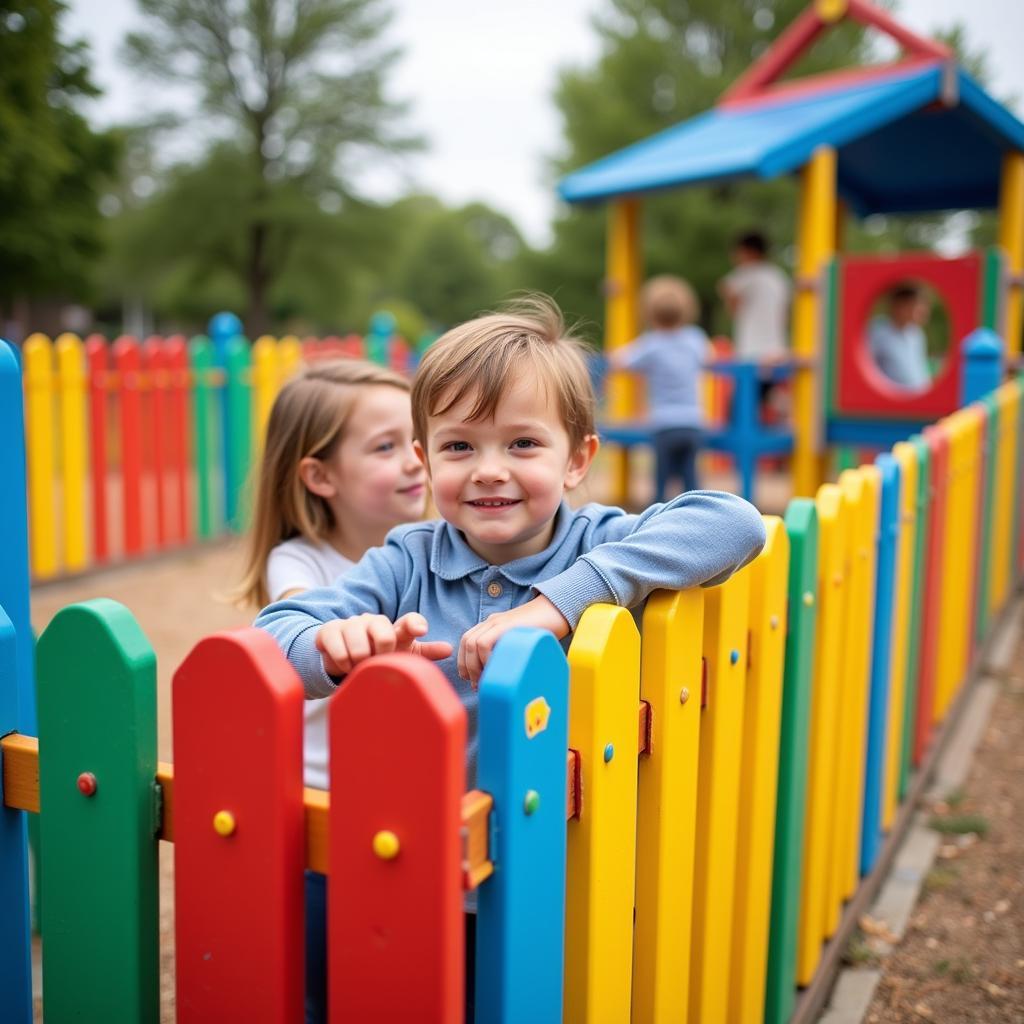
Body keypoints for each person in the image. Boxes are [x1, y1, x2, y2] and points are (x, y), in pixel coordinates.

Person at [254, 295, 766, 1016]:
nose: (489, 470)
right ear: (427, 462)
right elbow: (274, 633)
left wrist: (558, 602)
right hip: (425, 860)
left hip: (568, 859)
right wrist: (327, 645)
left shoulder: (595, 539)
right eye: (461, 447)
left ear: (577, 459)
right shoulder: (408, 559)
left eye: (523, 444)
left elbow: (735, 522)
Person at [233, 358, 427, 1024]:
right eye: (386, 447)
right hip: (325, 807)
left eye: (419, 440)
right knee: (328, 976)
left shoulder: (435, 551)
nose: (416, 461)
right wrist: (343, 635)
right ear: (320, 477)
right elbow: (298, 617)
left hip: (421, 804)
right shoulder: (304, 563)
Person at [609, 274, 709, 500]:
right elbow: (708, 358)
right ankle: (697, 515)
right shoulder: (695, 338)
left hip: (664, 423)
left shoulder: (651, 344)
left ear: (650, 313)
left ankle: (659, 518)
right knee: (691, 478)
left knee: (661, 479)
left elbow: (620, 361)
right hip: (693, 421)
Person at [719, 230, 792, 404]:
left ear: (749, 252)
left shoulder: (746, 273)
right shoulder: (779, 277)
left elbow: (728, 293)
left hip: (752, 354)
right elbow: (785, 315)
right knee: (764, 399)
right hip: (776, 352)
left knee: (739, 408)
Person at [868, 283, 932, 390]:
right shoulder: (877, 331)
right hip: (888, 403)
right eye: (917, 304)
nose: (923, 310)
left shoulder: (917, 334)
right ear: (900, 305)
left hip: (918, 401)